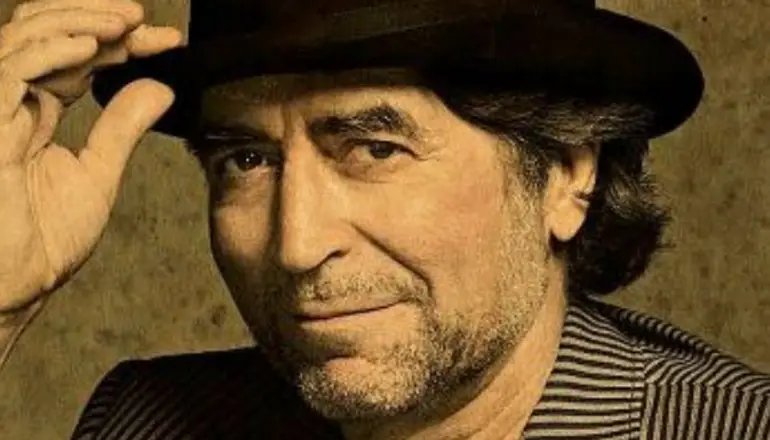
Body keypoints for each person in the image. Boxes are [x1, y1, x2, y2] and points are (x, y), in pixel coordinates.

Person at [0, 0, 768, 439]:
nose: (296, 245)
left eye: (374, 148)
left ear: (566, 175)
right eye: (247, 159)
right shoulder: (144, 422)